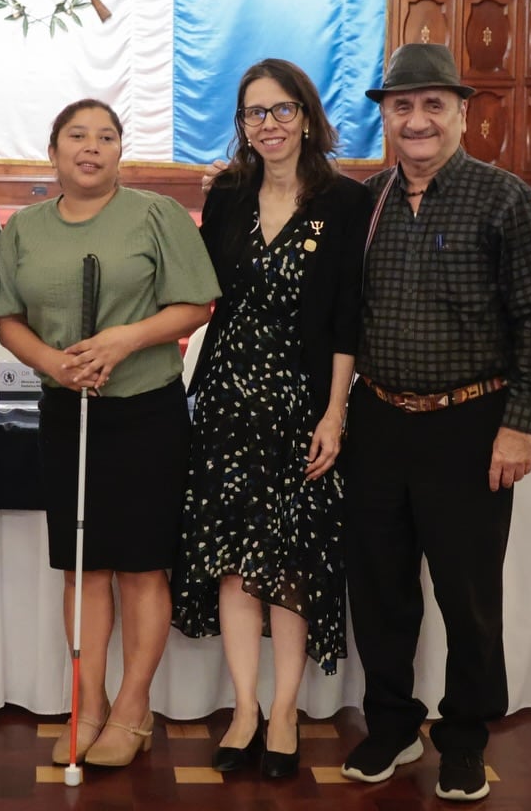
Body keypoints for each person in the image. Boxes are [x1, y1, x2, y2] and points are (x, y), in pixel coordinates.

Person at [339, 44, 531, 802]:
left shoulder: (504, 199)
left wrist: (520, 423)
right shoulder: (362, 203)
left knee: (468, 599)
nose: (417, 119)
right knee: (380, 590)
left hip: (469, 427)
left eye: (433, 104)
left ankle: (465, 738)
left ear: (462, 113)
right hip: (377, 424)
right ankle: (393, 727)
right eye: (402, 106)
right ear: (385, 118)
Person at [0, 99, 219, 769]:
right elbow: (8, 318)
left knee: (143, 567)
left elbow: (195, 303)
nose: (92, 147)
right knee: (84, 567)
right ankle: (86, 704)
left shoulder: (156, 215)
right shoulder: (27, 228)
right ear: (53, 150)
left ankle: (133, 707)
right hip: (67, 410)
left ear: (122, 150)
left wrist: (124, 339)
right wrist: (53, 362)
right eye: (77, 137)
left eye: (107, 137)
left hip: (145, 410)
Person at [173, 59, 369, 778]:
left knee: (290, 564)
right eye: (256, 113)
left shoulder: (346, 203)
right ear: (242, 126)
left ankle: (285, 710)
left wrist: (335, 411)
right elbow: (198, 288)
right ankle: (246, 710)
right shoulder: (226, 195)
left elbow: (349, 314)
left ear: (309, 117)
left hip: (301, 406)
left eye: (283, 110)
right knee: (233, 563)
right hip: (226, 400)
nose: (271, 124)